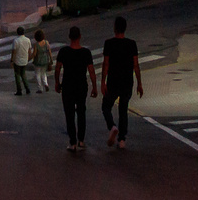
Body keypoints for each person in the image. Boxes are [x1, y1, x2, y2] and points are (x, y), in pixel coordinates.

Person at [100, 16, 143, 148]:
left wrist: (102, 81)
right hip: (127, 82)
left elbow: (106, 64)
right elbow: (136, 65)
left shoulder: (109, 43)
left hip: (113, 81)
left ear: (115, 28)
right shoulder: (131, 44)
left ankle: (112, 126)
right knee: (123, 109)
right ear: (125, 28)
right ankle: (122, 139)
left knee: (106, 106)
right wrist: (139, 83)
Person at [54, 25, 97, 152]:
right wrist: (94, 87)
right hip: (81, 86)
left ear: (69, 37)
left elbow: (57, 68)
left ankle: (72, 142)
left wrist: (57, 82)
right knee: (81, 112)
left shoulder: (64, 51)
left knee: (69, 114)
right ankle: (81, 140)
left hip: (67, 86)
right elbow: (91, 71)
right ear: (80, 36)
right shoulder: (86, 52)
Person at [10, 26, 33, 96]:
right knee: (23, 74)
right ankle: (27, 88)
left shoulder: (16, 41)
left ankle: (19, 90)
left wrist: (12, 60)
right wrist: (29, 58)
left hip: (17, 60)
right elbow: (29, 50)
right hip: (25, 60)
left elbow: (13, 51)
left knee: (17, 75)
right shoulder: (28, 40)